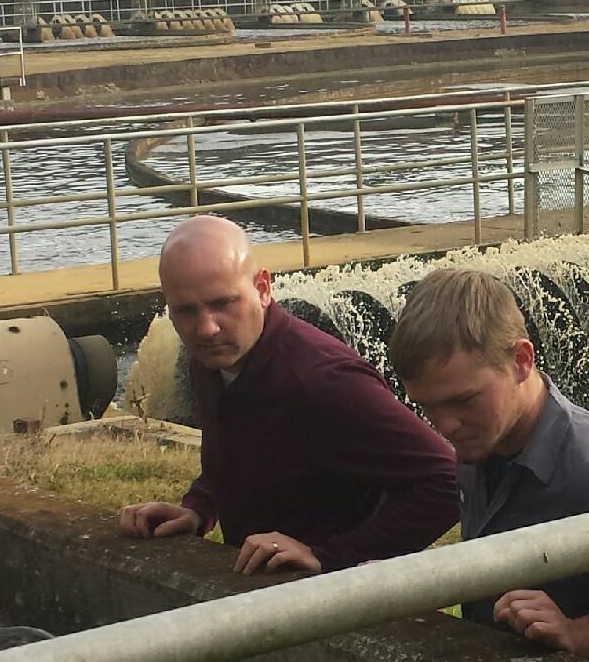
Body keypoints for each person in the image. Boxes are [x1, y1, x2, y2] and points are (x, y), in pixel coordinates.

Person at [118, 216, 458, 574]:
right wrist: (198, 508)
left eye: (223, 303)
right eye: (186, 310)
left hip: (328, 607)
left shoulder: (323, 381)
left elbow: (447, 481)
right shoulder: (213, 360)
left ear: (263, 288)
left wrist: (330, 555)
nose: (206, 328)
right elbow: (240, 445)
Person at [388, 267, 589, 659]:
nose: (444, 426)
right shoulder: (483, 441)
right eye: (427, 407)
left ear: (522, 360)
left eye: (463, 401)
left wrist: (575, 633)